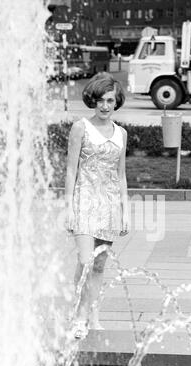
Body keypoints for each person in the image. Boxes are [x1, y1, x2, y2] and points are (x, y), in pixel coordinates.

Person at [64, 72, 129, 339]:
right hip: (84, 202)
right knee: (84, 260)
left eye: (110, 101)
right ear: (93, 100)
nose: (105, 106)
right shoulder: (80, 127)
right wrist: (68, 207)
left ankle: (93, 315)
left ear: (117, 102)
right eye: (100, 100)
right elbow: (70, 170)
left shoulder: (122, 133)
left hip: (110, 205)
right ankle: (78, 317)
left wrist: (126, 212)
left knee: (100, 265)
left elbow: (122, 174)